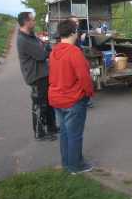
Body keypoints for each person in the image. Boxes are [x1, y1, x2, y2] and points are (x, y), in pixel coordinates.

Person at [48, 19, 94, 174]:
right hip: (72, 100)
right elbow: (84, 77)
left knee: (65, 134)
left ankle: (66, 163)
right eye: (77, 30)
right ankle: (75, 166)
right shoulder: (74, 52)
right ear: (74, 32)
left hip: (57, 98)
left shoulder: (54, 51)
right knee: (74, 135)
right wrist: (89, 93)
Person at [16, 12, 57, 141]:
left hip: (42, 73)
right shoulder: (23, 39)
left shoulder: (30, 35)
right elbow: (41, 54)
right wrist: (47, 49)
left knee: (49, 102)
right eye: (33, 20)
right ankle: (39, 133)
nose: (34, 22)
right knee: (40, 104)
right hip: (36, 76)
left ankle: (52, 127)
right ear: (26, 22)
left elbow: (43, 46)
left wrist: (45, 47)